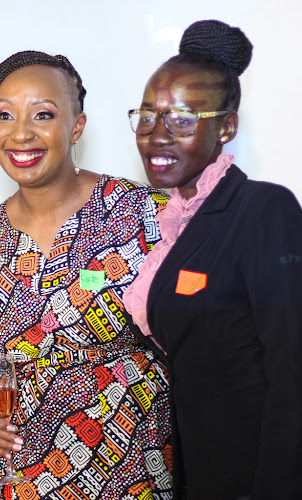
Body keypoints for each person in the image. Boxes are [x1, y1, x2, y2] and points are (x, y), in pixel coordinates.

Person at [0, 51, 173, 499]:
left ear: (77, 126)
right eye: (4, 115)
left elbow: (200, 338)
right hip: (22, 469)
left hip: (130, 464)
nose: (20, 133)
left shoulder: (145, 215)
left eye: (43, 114)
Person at [123, 20, 302, 499]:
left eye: (182, 119)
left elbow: (293, 375)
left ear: (226, 127)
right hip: (198, 474)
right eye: (146, 116)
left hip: (254, 479)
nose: (156, 135)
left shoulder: (264, 210)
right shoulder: (172, 222)